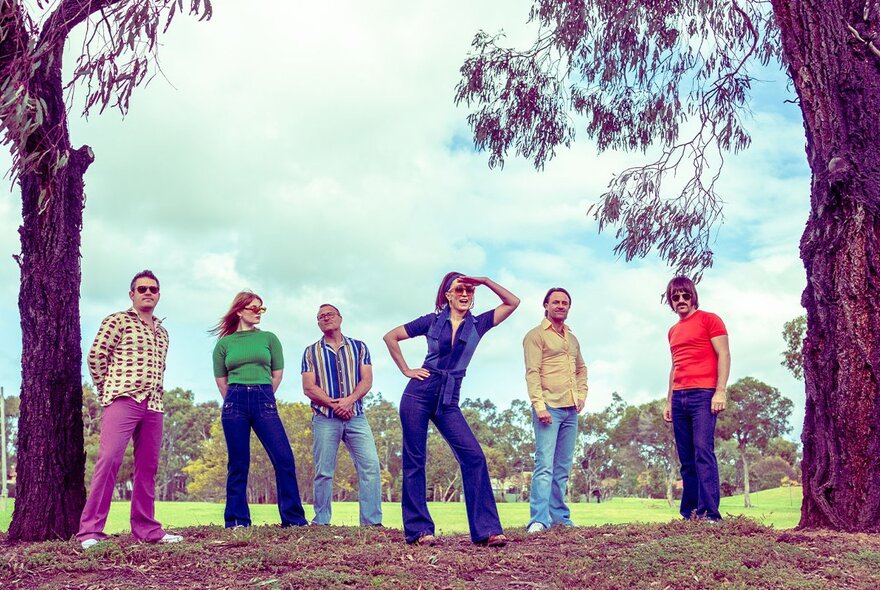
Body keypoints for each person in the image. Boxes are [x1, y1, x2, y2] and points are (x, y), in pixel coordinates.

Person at [384, 272, 519, 547]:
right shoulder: (431, 321)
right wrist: (406, 370)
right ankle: (420, 531)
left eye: (469, 290)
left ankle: (488, 531)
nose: (465, 294)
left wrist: (483, 281)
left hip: (449, 399)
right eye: (459, 289)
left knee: (474, 457)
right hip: (419, 393)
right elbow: (390, 337)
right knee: (415, 460)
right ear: (447, 294)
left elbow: (512, 302)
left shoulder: (479, 324)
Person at [77, 270, 183, 549]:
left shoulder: (163, 333)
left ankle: (147, 530)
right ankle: (90, 532)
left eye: (153, 289)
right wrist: (107, 391)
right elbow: (96, 356)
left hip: (155, 405)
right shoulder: (117, 321)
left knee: (148, 467)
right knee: (110, 459)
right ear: (132, 294)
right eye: (142, 289)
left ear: (158, 295)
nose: (148, 293)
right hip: (122, 400)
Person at [211, 291, 307, 528]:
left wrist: (262, 395)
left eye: (261, 308)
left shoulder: (269, 338)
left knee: (284, 458)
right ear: (240, 310)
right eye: (253, 308)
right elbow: (221, 380)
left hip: (264, 399)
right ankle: (236, 520)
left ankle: (293, 519)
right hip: (235, 402)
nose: (258, 312)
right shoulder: (224, 344)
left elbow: (277, 373)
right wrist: (238, 397)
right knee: (238, 462)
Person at [302, 304, 382, 526]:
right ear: (318, 323)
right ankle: (321, 521)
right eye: (320, 317)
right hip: (324, 418)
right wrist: (334, 404)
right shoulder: (311, 352)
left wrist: (349, 401)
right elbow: (309, 387)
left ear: (340, 318)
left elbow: (366, 380)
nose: (325, 318)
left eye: (329, 314)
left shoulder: (359, 347)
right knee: (324, 471)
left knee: (370, 467)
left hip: (356, 416)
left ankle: (371, 522)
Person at [662, 276, 730, 521]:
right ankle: (690, 514)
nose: (680, 300)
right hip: (679, 397)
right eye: (675, 297)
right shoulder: (672, 331)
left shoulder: (710, 320)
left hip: (704, 395)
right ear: (671, 301)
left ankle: (711, 514)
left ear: (693, 297)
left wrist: (720, 391)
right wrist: (669, 401)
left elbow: (724, 354)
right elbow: (675, 366)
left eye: (685, 295)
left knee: (703, 452)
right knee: (686, 459)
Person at [523, 287, 588, 533]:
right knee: (545, 466)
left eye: (565, 303)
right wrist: (539, 405)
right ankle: (538, 519)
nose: (561, 306)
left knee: (562, 467)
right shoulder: (535, 336)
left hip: (571, 409)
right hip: (548, 408)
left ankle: (560, 518)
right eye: (556, 302)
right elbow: (532, 372)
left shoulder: (571, 339)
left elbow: (582, 369)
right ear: (546, 306)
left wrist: (581, 395)